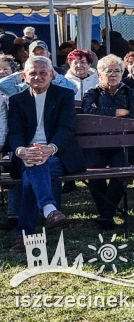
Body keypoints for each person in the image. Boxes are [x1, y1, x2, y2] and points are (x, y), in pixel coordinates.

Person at [7, 56, 84, 252]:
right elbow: (15, 133)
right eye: (33, 73)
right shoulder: (16, 100)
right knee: (34, 164)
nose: (38, 77)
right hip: (26, 155)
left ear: (51, 75)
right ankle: (50, 209)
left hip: (57, 154)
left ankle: (25, 235)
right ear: (24, 76)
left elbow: (66, 129)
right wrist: (21, 151)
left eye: (43, 73)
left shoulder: (64, 96)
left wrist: (49, 149)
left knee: (30, 177)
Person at [82, 55, 134, 229]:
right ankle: (106, 213)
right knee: (95, 174)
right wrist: (116, 112)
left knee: (120, 173)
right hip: (96, 143)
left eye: (117, 71)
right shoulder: (92, 92)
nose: (114, 74)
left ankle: (106, 214)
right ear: (100, 73)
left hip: (122, 142)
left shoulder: (129, 92)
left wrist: (102, 113)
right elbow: (88, 113)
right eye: (109, 71)